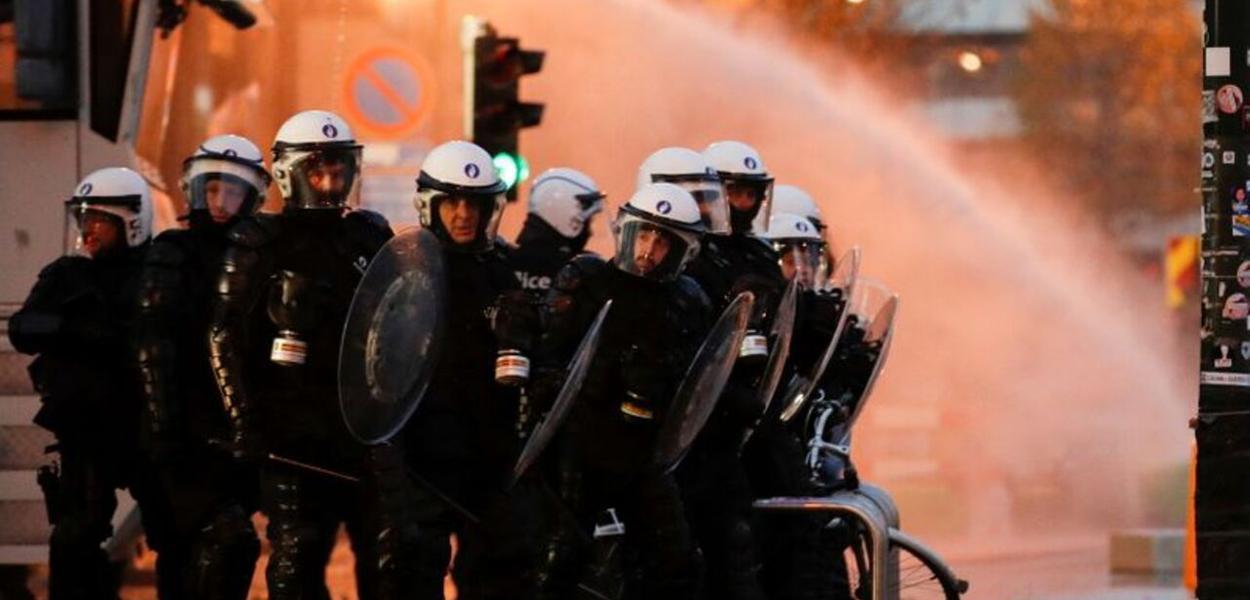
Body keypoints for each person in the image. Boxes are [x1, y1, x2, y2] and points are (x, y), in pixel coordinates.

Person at [206, 110, 399, 599]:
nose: (330, 181)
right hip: (290, 434)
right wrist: (245, 420)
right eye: (317, 171)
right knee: (298, 557)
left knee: (388, 558)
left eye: (338, 169)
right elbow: (224, 335)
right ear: (289, 174)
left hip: (361, 429)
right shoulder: (258, 241)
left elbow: (401, 322)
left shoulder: (369, 235)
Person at [532, 182, 710, 600]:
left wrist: (658, 379)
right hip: (580, 445)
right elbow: (548, 353)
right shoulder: (586, 280)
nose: (649, 250)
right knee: (557, 560)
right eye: (644, 235)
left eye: (663, 242)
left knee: (675, 563)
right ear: (626, 231)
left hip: (645, 453)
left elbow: (696, 382)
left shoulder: (688, 301)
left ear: (683, 251)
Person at [399, 139, 543, 599]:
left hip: (487, 456)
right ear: (430, 205)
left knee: (501, 570)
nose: (464, 215)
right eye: (452, 203)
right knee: (413, 568)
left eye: (474, 204)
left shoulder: (501, 271)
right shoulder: (407, 271)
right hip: (421, 457)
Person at [637, 143, 781, 599]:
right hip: (655, 452)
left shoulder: (712, 271)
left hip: (711, 444)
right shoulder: (632, 280)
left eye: (707, 197)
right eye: (692, 198)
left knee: (734, 553)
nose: (703, 209)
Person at [9, 167, 155, 599]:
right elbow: (23, 329)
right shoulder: (66, 274)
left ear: (130, 222)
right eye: (84, 218)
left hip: (147, 424)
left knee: (177, 529)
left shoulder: (158, 270)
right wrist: (76, 330)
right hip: (86, 428)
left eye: (99, 220)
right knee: (76, 534)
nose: (87, 229)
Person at [134, 134, 270, 598]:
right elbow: (153, 343)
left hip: (234, 432)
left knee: (219, 551)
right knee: (205, 545)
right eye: (212, 189)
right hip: (182, 431)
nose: (220, 202)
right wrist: (164, 428)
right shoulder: (173, 250)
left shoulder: (260, 257)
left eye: (232, 191)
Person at [510, 167, 605, 293]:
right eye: (587, 223)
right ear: (567, 216)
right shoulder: (586, 271)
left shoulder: (501, 262)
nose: (590, 233)